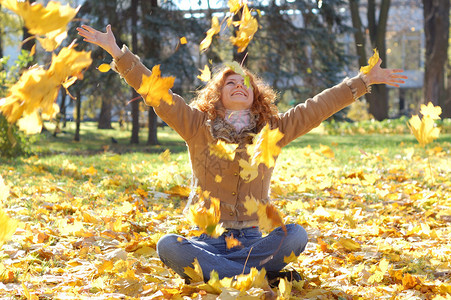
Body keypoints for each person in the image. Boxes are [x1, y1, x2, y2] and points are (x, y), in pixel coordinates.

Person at [77, 24, 406, 287]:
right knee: (168, 245)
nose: (239, 85)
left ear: (255, 96)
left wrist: (364, 81)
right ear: (217, 95)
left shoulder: (272, 130)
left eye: (246, 83)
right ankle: (252, 275)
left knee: (296, 234)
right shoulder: (195, 124)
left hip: (253, 241)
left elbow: (317, 107)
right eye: (230, 82)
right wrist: (117, 53)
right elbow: (155, 90)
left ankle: (222, 274)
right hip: (209, 241)